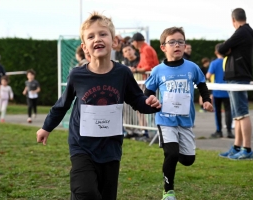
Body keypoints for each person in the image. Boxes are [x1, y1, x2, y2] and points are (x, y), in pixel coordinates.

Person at [36, 12, 161, 200]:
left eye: (103, 34)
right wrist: (46, 127)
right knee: (85, 192)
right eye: (91, 36)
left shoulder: (123, 73)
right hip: (82, 146)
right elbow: (62, 105)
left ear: (113, 41)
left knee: (105, 196)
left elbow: (137, 100)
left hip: (111, 148)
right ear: (84, 46)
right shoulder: (77, 75)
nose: (97, 39)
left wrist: (151, 104)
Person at [144, 27, 213, 200]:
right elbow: (148, 93)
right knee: (172, 154)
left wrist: (206, 100)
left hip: (185, 120)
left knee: (188, 159)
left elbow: (202, 84)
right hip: (165, 119)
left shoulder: (192, 67)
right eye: (172, 42)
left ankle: (173, 151)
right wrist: (153, 102)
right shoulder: (158, 70)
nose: (177, 45)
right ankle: (168, 191)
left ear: (184, 45)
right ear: (163, 47)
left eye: (180, 42)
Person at [218, 8, 253, 160]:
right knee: (237, 115)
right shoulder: (245, 32)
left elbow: (222, 48)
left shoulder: (241, 32)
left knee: (242, 113)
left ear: (233, 20)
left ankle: (247, 149)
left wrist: (228, 49)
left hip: (238, 76)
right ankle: (237, 147)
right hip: (235, 76)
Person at [206, 43, 234, 139]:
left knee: (217, 111)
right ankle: (229, 131)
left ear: (216, 52)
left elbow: (208, 76)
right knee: (228, 111)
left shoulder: (214, 63)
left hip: (217, 90)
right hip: (228, 90)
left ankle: (219, 131)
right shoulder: (229, 61)